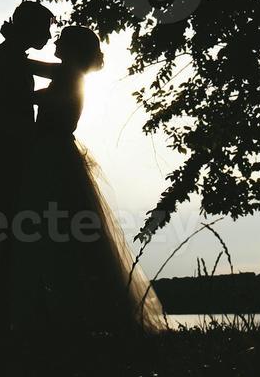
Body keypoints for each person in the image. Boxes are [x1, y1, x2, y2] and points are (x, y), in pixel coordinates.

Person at [10, 25, 167, 337]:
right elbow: (36, 74)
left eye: (62, 40)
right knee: (70, 234)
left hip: (54, 154)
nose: (55, 42)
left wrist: (13, 58)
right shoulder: (69, 74)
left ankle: (70, 316)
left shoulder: (69, 75)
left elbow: (34, 78)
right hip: (54, 151)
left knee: (60, 231)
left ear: (72, 49)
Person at [0, 0, 54, 340]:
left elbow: (16, 100)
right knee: (1, 230)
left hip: (12, 151)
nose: (49, 36)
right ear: (28, 27)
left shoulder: (15, 60)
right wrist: (29, 133)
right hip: (1, 153)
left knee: (11, 231)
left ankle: (9, 318)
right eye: (44, 29)